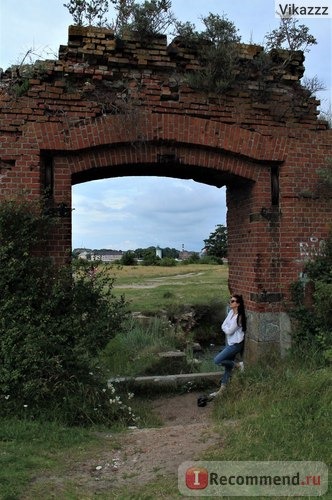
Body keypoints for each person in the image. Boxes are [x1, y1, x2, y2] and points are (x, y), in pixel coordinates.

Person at [210, 294, 246, 398]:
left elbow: (229, 331)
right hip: (230, 343)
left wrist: (226, 329)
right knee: (227, 368)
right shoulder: (231, 313)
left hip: (236, 345)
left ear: (238, 304)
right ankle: (222, 391)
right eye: (230, 301)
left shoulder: (239, 317)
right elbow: (223, 326)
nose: (231, 302)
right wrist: (226, 329)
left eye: (233, 301)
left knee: (217, 360)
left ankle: (238, 365)